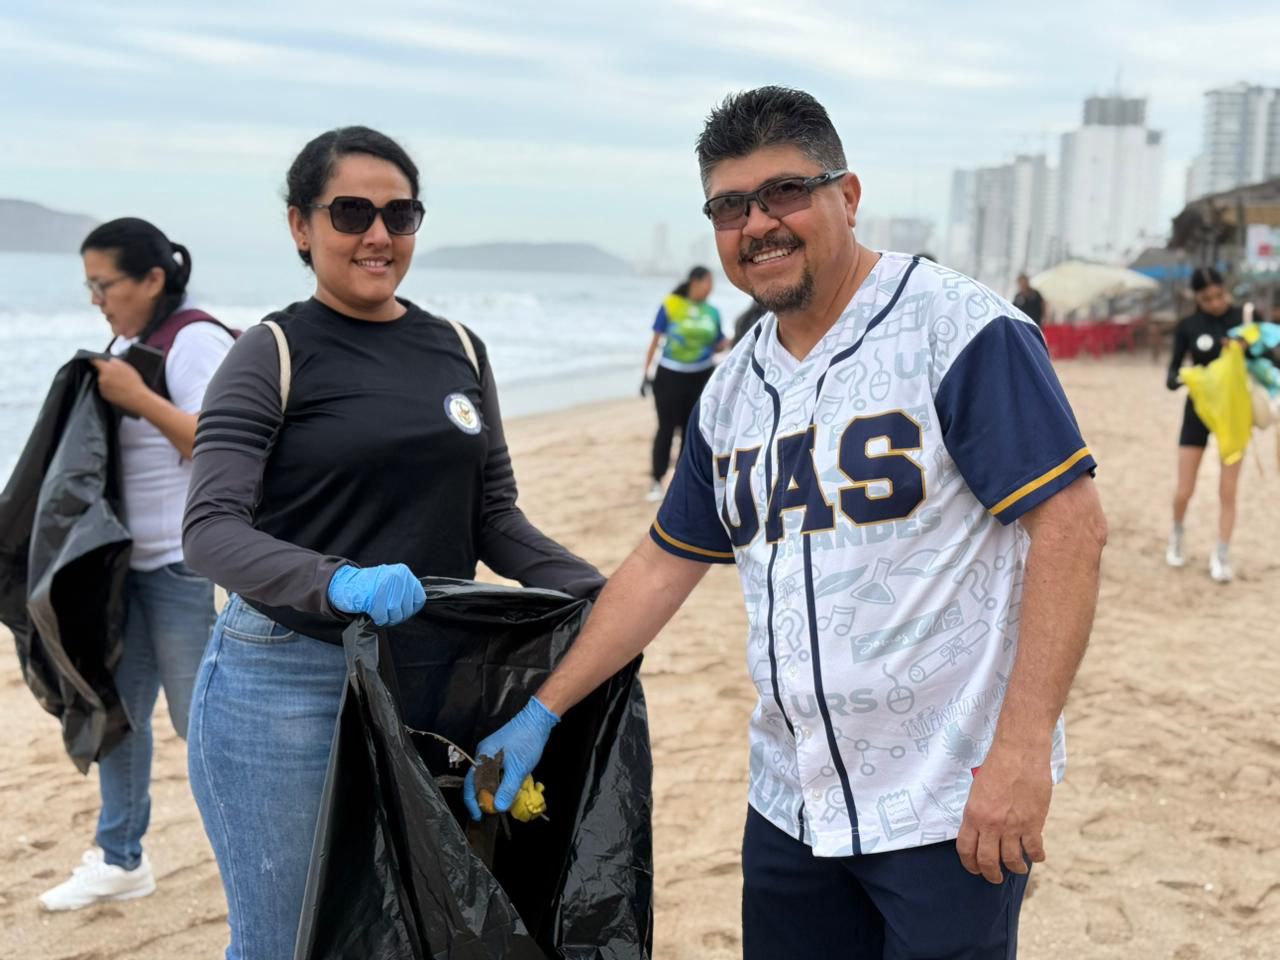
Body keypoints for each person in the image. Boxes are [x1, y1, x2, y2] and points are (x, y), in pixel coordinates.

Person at [466, 86, 1107, 959]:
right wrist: (544, 708)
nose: (758, 223)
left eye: (785, 193)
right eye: (730, 206)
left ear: (846, 196)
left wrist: (1024, 753)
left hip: (948, 797)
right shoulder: (731, 389)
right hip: (790, 803)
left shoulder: (959, 329)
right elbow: (663, 563)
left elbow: (1071, 528)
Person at [180, 126, 603, 960]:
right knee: (286, 941)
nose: (378, 234)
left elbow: (494, 519)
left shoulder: (457, 349)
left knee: (403, 929)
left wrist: (599, 591)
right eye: (351, 213)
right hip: (286, 682)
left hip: (420, 678)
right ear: (301, 226)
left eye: (399, 214)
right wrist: (340, 582)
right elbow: (211, 531)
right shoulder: (270, 353)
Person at [39, 219, 234, 911]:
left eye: (105, 284)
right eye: (89, 286)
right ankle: (121, 857)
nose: (97, 299)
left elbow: (223, 450)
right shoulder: (131, 341)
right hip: (131, 571)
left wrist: (140, 399)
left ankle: (258, 852)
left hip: (186, 570)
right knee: (116, 711)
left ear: (152, 279)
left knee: (206, 726)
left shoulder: (195, 341)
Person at [1165, 266, 1245, 582]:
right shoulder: (1188, 326)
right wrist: (1185, 377)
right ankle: (1177, 534)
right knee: (1185, 488)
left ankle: (1222, 555)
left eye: (1219, 295)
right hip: (1197, 411)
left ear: (1226, 290)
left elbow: (1271, 358)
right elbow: (1171, 377)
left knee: (1229, 491)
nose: (1215, 303)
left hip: (1233, 413)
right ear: (1197, 298)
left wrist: (1246, 350)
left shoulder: (1243, 319)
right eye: (1207, 298)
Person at [641, 266, 727, 501]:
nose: (711, 288)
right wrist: (646, 374)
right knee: (666, 429)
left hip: (701, 377)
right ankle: (656, 481)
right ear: (695, 282)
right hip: (670, 376)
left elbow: (720, 342)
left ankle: (680, 484)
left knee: (691, 432)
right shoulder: (671, 304)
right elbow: (655, 339)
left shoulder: (712, 312)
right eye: (709, 282)